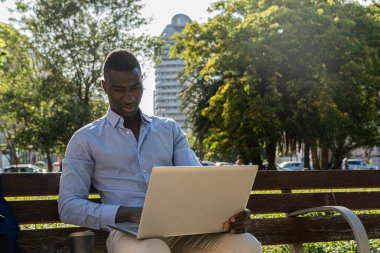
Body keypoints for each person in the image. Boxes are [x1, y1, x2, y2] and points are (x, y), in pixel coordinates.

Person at [58, 49, 262, 253]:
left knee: (246, 246)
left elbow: (198, 183)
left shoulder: (169, 129)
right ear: (104, 86)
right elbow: (68, 206)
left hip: (182, 229)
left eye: (135, 87)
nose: (129, 98)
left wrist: (230, 213)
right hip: (128, 234)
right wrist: (126, 213)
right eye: (119, 89)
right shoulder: (85, 139)